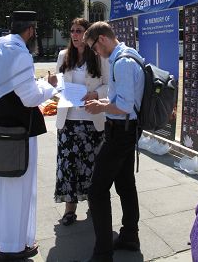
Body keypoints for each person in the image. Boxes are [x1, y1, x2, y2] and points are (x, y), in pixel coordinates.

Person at [0, 11, 57, 261]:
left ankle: (4, 241)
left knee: (0, 188)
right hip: (16, 133)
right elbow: (30, 96)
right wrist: (50, 84)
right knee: (17, 188)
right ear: (30, 30)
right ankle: (13, 247)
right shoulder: (19, 53)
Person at [80, 21, 145, 262]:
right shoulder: (128, 54)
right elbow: (123, 97)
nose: (95, 52)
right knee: (126, 184)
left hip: (121, 131)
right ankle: (129, 237)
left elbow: (124, 106)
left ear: (103, 39)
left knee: (97, 190)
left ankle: (103, 253)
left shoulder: (122, 62)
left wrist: (101, 106)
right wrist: (104, 102)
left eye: (94, 47)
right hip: (125, 130)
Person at [49, 18, 109, 226]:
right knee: (68, 167)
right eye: (72, 30)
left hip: (93, 122)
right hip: (68, 121)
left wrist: (94, 93)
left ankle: (94, 205)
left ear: (87, 33)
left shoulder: (99, 57)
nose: (74, 34)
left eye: (79, 31)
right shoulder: (63, 56)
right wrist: (53, 86)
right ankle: (69, 209)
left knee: (93, 166)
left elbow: (109, 86)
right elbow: (57, 88)